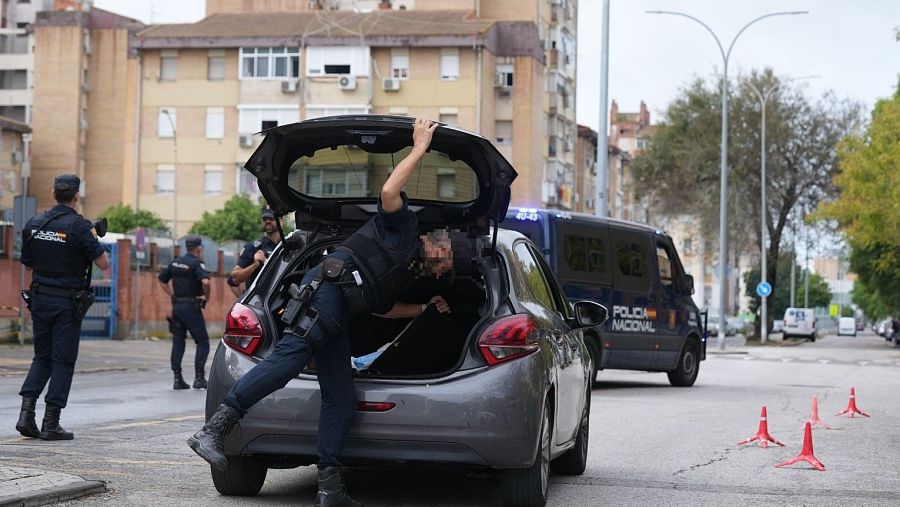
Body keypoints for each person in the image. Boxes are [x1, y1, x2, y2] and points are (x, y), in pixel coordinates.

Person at [188, 118, 442, 507]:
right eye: (447, 251)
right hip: (324, 294)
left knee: (340, 398)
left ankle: (330, 488)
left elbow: (386, 309)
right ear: (433, 242)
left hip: (340, 312)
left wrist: (425, 307)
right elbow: (390, 188)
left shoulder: (403, 270)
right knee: (289, 359)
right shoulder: (402, 225)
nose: (448, 260)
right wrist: (420, 147)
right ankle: (214, 430)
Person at [16, 174, 110, 441]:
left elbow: (28, 262)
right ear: (76, 196)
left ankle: (26, 414)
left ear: (53, 193)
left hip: (40, 299)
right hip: (66, 303)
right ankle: (51, 422)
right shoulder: (80, 227)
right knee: (63, 362)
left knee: (41, 358)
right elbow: (103, 264)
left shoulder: (34, 223)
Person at [158, 235, 211, 390]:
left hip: (177, 307)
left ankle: (177, 378)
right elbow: (206, 281)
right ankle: (199, 378)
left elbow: (161, 279)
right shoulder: (197, 263)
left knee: (178, 341)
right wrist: (207, 296)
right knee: (202, 342)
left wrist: (172, 294)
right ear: (198, 248)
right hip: (191, 308)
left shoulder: (175, 262)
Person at [230, 207, 282, 288]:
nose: (268, 221)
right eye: (265, 219)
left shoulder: (288, 246)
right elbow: (235, 277)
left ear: (281, 221)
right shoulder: (253, 247)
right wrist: (255, 265)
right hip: (258, 298)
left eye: (272, 218)